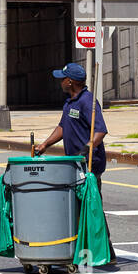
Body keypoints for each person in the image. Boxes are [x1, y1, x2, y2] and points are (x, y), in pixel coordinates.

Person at [32, 61, 108, 192]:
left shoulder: (87, 101)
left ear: (70, 82)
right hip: (73, 161)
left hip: (89, 163)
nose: (60, 82)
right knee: (75, 203)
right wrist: (45, 144)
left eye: (62, 79)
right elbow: (62, 127)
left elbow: (100, 131)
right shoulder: (70, 102)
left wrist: (86, 149)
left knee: (89, 204)